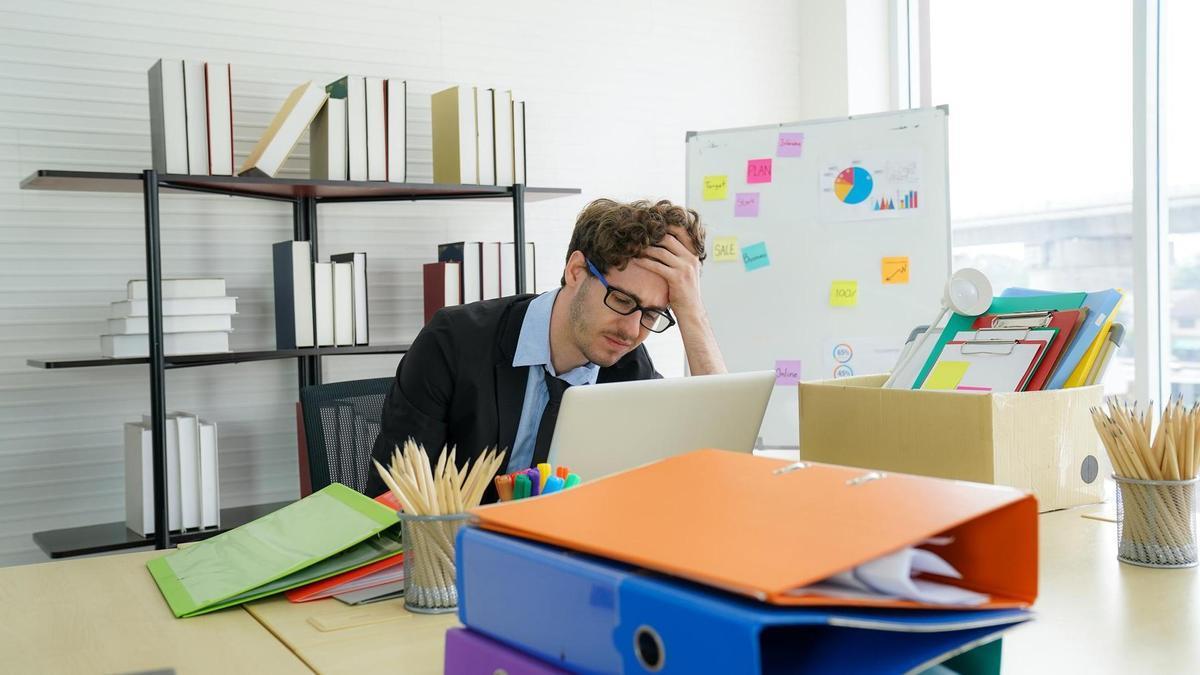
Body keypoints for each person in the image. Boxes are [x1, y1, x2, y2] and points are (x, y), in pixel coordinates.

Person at [363, 198, 726, 499]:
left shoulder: (628, 368)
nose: (632, 331)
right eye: (621, 300)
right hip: (456, 562)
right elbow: (393, 500)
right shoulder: (453, 342)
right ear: (576, 271)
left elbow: (719, 467)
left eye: (653, 314)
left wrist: (691, 312)